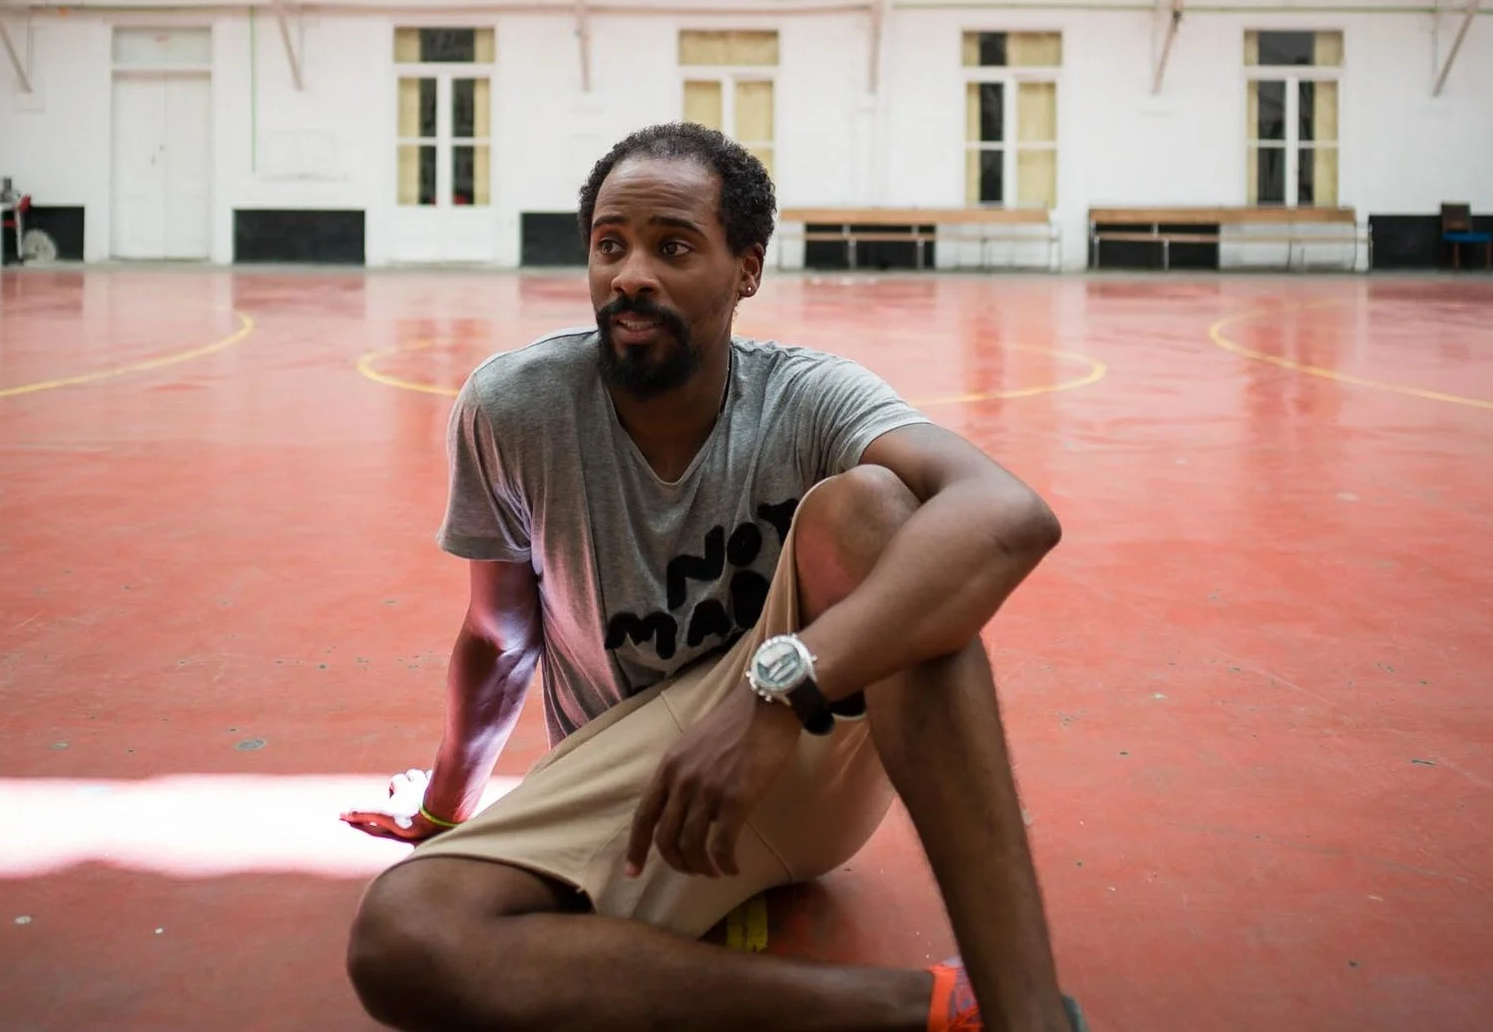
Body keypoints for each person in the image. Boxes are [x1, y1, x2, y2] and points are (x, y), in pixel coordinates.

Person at [342, 122, 1082, 1032]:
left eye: (673, 247)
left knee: (874, 513)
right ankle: (925, 1005)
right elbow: (500, 638)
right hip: (641, 790)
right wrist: (447, 810)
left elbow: (1009, 511)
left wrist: (775, 695)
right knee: (406, 937)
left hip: (802, 747)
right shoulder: (514, 408)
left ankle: (1028, 1012)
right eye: (610, 245)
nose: (631, 275)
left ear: (747, 270)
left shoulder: (806, 397)